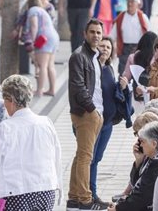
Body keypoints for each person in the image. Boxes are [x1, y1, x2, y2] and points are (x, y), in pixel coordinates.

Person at [0, 75, 63, 210]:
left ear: (10, 100)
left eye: (4, 100)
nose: (4, 105)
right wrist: (59, 187)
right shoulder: (46, 123)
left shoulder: (4, 128)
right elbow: (56, 158)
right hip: (46, 189)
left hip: (16, 192)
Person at [67, 19, 108, 210]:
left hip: (94, 112)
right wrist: (92, 110)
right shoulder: (79, 56)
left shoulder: (94, 56)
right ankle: (85, 200)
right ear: (85, 34)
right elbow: (78, 87)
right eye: (92, 32)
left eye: (99, 33)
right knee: (86, 157)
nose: (96, 36)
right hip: (86, 113)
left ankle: (74, 198)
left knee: (81, 155)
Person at [90, 37, 130, 207]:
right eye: (102, 46)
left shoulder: (109, 68)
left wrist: (122, 86)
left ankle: (92, 193)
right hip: (94, 122)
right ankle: (90, 194)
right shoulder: (91, 68)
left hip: (107, 123)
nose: (105, 49)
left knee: (96, 158)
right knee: (90, 158)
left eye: (108, 47)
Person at [108, 121, 158, 211]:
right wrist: (138, 161)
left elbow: (142, 197)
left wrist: (118, 208)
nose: (140, 145)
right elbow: (135, 184)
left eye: (142, 141)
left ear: (154, 144)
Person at [24, 0, 60, 97]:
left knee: (42, 65)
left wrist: (34, 40)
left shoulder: (33, 10)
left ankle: (39, 90)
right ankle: (52, 89)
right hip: (54, 37)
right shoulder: (42, 11)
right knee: (50, 65)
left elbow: (34, 25)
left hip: (43, 38)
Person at [112, 0, 151, 74]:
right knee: (123, 71)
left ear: (138, 4)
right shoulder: (121, 17)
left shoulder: (143, 17)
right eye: (128, 1)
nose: (130, 4)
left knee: (139, 70)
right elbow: (112, 35)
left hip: (139, 48)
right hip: (124, 49)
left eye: (132, 2)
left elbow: (149, 34)